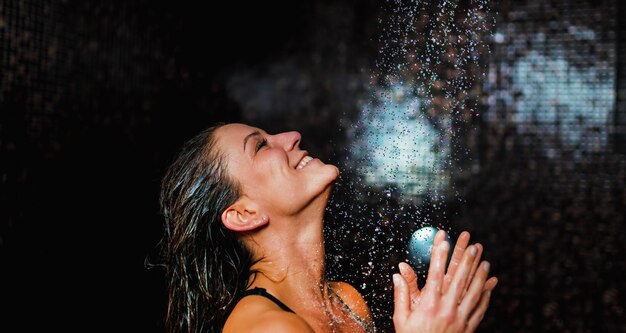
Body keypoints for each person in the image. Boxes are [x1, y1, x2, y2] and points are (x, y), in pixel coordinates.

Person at [159, 122, 498, 333]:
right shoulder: (265, 327)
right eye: (260, 146)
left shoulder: (346, 302)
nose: (292, 136)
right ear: (244, 213)